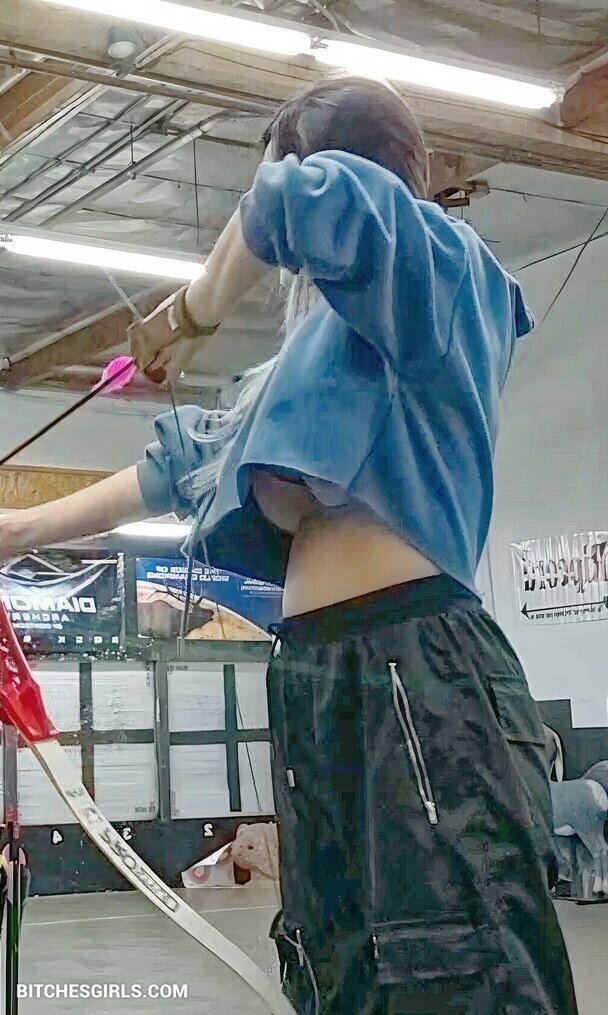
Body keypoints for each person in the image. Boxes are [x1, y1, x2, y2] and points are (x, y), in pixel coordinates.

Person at [0, 78, 577, 1014]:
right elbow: (178, 465)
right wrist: (17, 531)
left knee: (458, 951)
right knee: (336, 955)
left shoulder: (445, 271)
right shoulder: (300, 368)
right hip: (313, 672)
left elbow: (295, 201)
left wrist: (191, 313)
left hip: (417, 665)